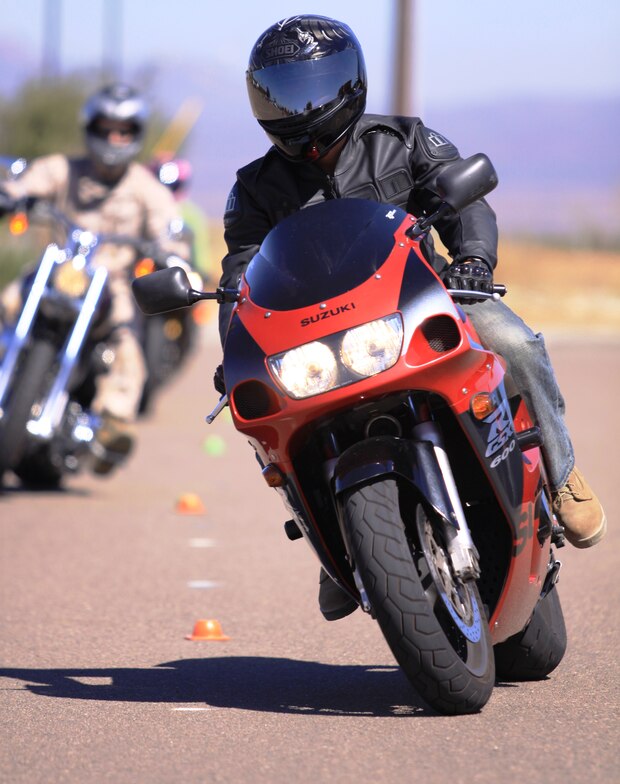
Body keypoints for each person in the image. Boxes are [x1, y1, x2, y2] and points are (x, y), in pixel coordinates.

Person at [216, 15, 607, 620]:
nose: (298, 107)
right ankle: (337, 542)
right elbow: (239, 275)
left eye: (311, 87)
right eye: (281, 92)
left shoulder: (405, 140)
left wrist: (473, 259)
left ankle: (563, 473)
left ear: (350, 83)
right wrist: (232, 344)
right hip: (318, 337)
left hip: (422, 302)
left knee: (516, 341)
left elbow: (464, 200)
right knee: (272, 428)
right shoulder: (254, 188)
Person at [0, 83, 190, 474]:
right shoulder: (65, 169)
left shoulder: (145, 187)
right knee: (8, 301)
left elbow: (169, 227)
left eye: (123, 131)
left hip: (112, 281)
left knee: (126, 341)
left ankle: (111, 426)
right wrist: (12, 193)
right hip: (57, 267)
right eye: (106, 129)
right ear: (91, 128)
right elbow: (29, 180)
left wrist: (173, 253)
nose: (114, 138)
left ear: (136, 135)